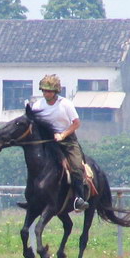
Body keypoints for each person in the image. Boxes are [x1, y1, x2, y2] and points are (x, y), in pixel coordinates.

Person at [32, 74, 89, 212]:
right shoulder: (38, 105)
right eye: (44, 90)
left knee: (76, 167)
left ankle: (79, 199)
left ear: (56, 91)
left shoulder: (66, 104)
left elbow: (76, 123)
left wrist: (63, 135)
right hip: (47, 141)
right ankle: (32, 195)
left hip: (67, 141)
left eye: (49, 91)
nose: (46, 93)